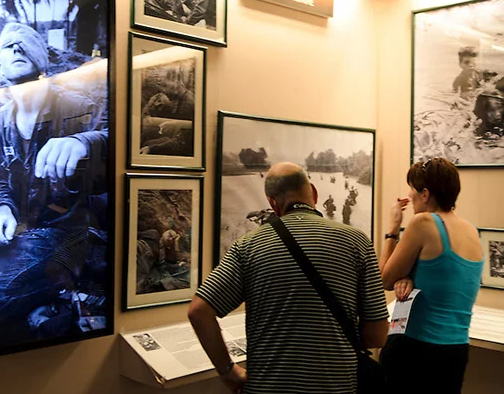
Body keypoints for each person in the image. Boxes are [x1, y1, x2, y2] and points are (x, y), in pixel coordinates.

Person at [188, 162, 389, 394]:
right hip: (335, 386)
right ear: (313, 191)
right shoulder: (356, 242)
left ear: (272, 202)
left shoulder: (247, 246)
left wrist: (227, 370)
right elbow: (377, 335)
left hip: (266, 388)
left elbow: (199, 311)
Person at [0, 22, 109, 339]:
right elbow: (0, 179)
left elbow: (125, 143)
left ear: (42, 58)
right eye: (8, 46)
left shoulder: (76, 107)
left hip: (72, 227)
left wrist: (85, 141)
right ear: (0, 65)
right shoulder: (1, 121)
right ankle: (62, 286)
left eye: (25, 44)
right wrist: (3, 210)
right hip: (25, 229)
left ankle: (78, 274)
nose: (16, 49)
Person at [379, 157, 483, 393]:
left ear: (425, 194)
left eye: (413, 190)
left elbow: (384, 278)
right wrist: (409, 279)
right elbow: (442, 280)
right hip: (455, 351)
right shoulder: (471, 231)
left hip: (414, 348)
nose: (410, 195)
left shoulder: (423, 222)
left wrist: (393, 229)